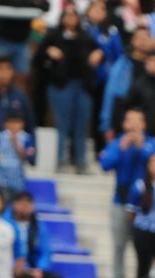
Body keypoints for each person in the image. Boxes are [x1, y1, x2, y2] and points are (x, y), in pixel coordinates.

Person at [100, 108, 155, 278]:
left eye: (138, 120)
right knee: (119, 244)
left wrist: (141, 147)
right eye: (129, 120)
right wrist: (122, 148)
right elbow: (105, 164)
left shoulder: (151, 143)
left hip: (145, 205)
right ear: (124, 124)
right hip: (121, 201)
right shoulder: (117, 143)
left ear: (144, 124)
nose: (133, 125)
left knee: (146, 246)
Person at [41, 5, 102, 173]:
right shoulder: (53, 35)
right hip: (61, 85)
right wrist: (48, 51)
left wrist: (98, 54)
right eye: (67, 15)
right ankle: (59, 159)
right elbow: (39, 57)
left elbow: (99, 52)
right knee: (62, 123)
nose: (70, 18)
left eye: (74, 15)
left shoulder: (86, 37)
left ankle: (80, 160)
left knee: (81, 124)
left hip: (82, 86)